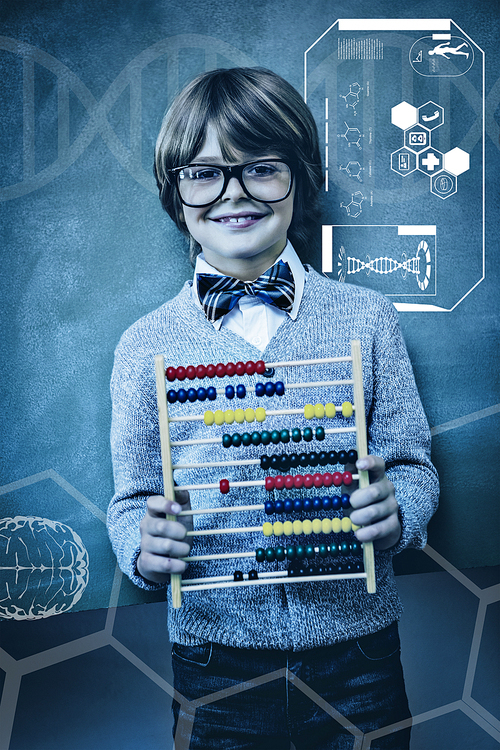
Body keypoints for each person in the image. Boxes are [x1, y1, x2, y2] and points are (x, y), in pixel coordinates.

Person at [107, 67, 439, 749]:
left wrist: (398, 511)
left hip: (359, 653)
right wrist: (141, 548)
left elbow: (413, 465)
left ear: (300, 177)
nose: (234, 194)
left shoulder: (367, 320)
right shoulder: (145, 348)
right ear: (176, 195)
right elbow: (132, 499)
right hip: (214, 661)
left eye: (260, 168)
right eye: (204, 174)